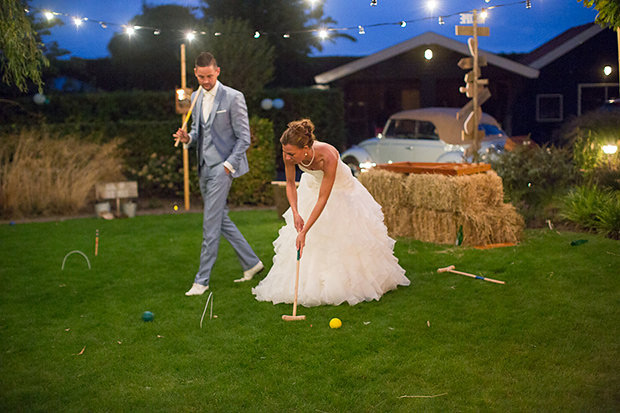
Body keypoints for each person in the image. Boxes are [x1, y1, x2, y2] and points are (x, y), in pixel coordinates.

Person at [252, 119, 409, 307]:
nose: (287, 157)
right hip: (312, 188)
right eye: (285, 152)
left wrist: (304, 231)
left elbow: (323, 198)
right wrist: (295, 212)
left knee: (341, 238)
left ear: (306, 148)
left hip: (341, 191)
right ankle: (311, 284)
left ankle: (347, 283)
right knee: (308, 241)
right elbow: (291, 184)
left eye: (291, 154)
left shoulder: (328, 156)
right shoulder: (289, 154)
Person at [173, 52, 263, 296]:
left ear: (218, 71)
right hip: (204, 167)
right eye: (201, 77)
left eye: (209, 76)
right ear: (195, 73)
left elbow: (244, 138)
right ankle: (252, 263)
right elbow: (196, 132)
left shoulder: (234, 97)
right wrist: (187, 138)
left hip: (223, 169)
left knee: (210, 225)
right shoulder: (197, 97)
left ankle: (201, 281)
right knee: (220, 219)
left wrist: (228, 165)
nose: (205, 81)